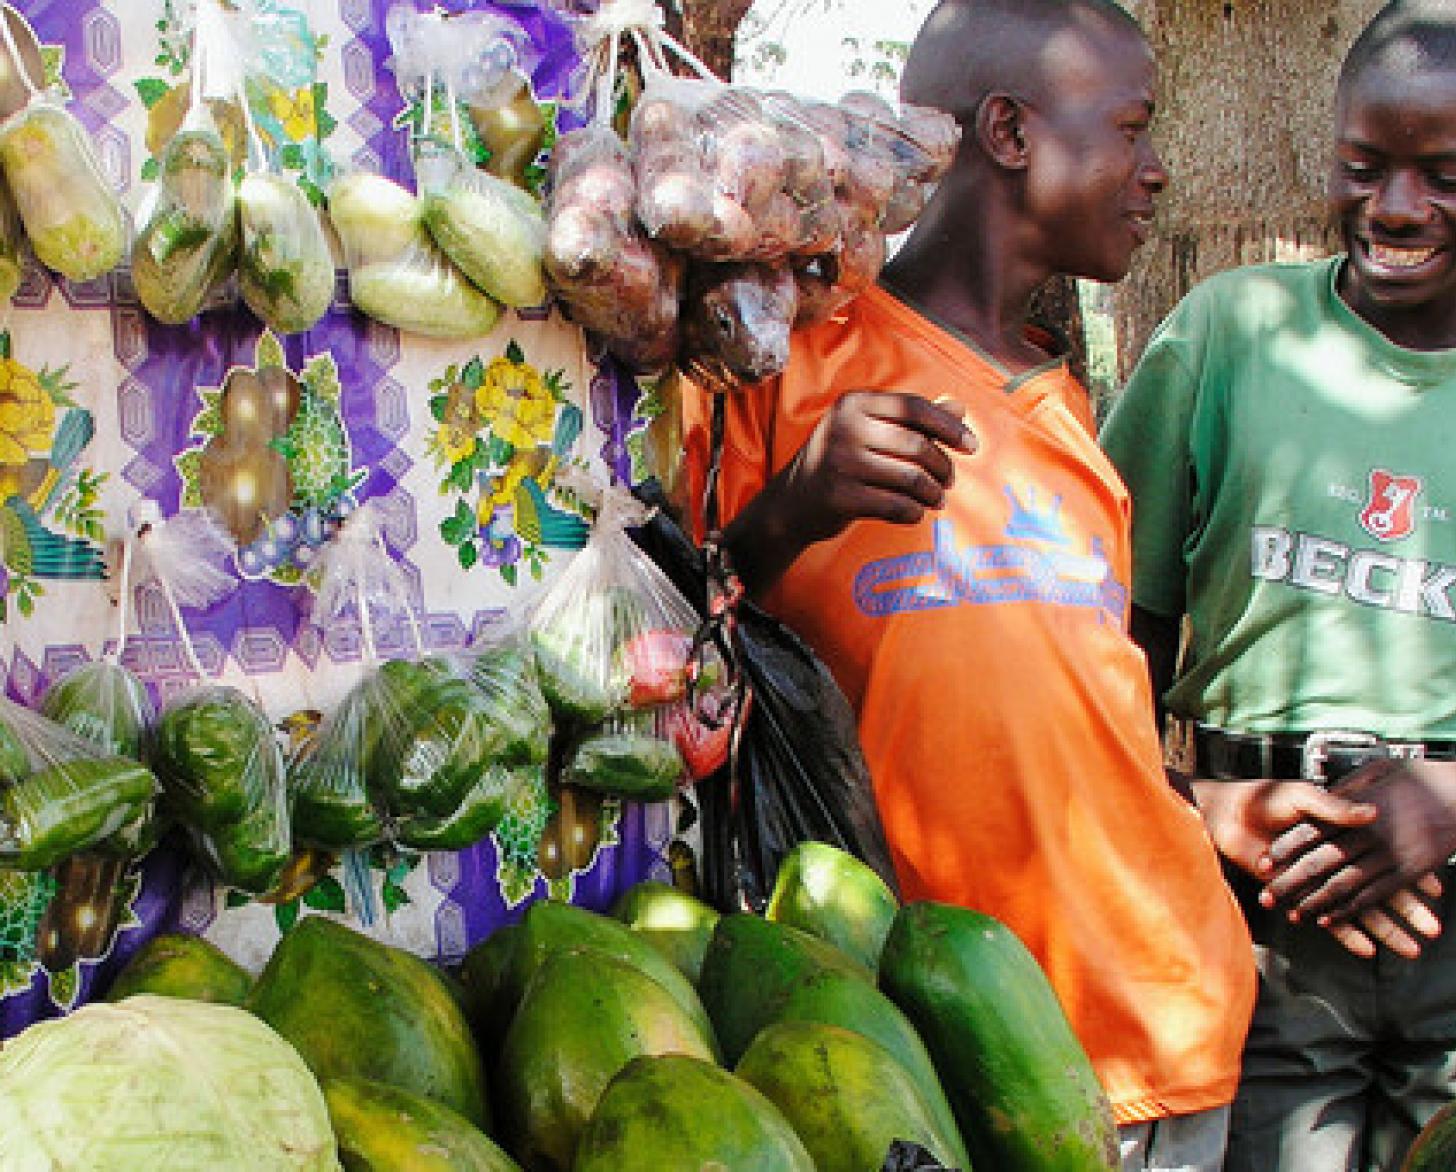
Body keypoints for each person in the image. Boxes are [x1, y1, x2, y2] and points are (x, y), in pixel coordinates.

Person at [679, 1, 1256, 1168]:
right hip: (952, 1048)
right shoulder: (787, 363)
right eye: (1134, 128)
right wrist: (792, 501)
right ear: (1006, 130)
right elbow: (676, 633)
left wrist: (1218, 808)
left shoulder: (1068, 413)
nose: (1156, 174)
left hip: (1162, 1013)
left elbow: (1084, 727)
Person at [1100, 2, 1456, 1167]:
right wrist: (1184, 811)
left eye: (1442, 174)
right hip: (1259, 907)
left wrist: (1443, 797)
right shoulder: (1226, 338)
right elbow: (1102, 640)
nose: (1394, 209)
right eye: (1365, 166)